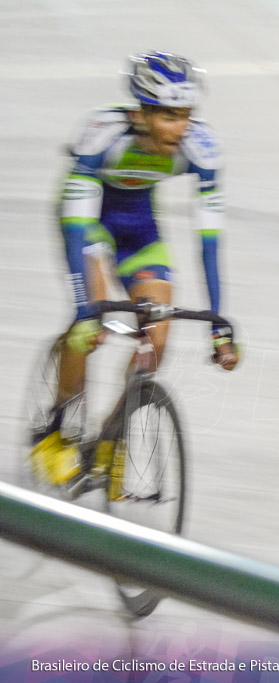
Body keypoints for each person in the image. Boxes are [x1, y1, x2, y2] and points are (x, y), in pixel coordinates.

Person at [30, 51, 238, 485]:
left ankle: (109, 438)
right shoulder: (102, 136)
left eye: (185, 115)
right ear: (141, 113)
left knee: (156, 338)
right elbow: (75, 229)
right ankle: (56, 428)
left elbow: (210, 243)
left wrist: (218, 322)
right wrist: (84, 308)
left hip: (140, 232)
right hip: (87, 223)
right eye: (167, 115)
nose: (179, 128)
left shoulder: (202, 148)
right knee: (91, 325)